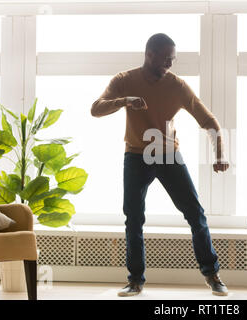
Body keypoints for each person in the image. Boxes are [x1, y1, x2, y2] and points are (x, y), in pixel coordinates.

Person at [91, 33, 229, 297]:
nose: (170, 64)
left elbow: (209, 120)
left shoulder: (177, 86)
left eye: (173, 59)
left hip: (167, 155)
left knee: (195, 214)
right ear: (149, 54)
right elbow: (96, 109)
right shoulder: (124, 80)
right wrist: (126, 101)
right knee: (133, 219)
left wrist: (220, 154)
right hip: (135, 155)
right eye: (166, 58)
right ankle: (135, 281)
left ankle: (212, 276)